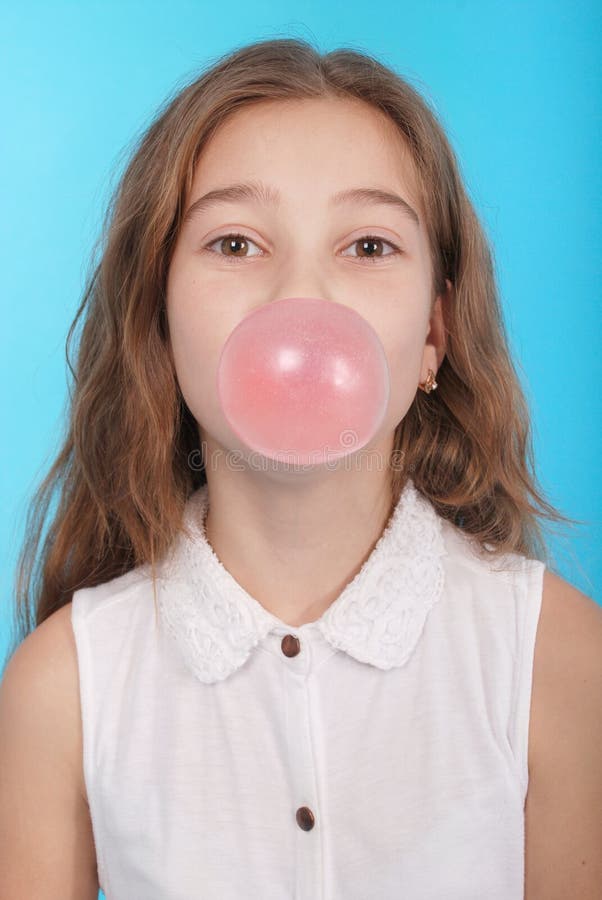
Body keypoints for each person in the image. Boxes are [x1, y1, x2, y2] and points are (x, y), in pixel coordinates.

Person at [1, 37, 601, 900]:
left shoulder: (560, 660)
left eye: (367, 246)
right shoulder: (64, 688)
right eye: (237, 243)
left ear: (434, 333)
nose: (300, 298)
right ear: (158, 320)